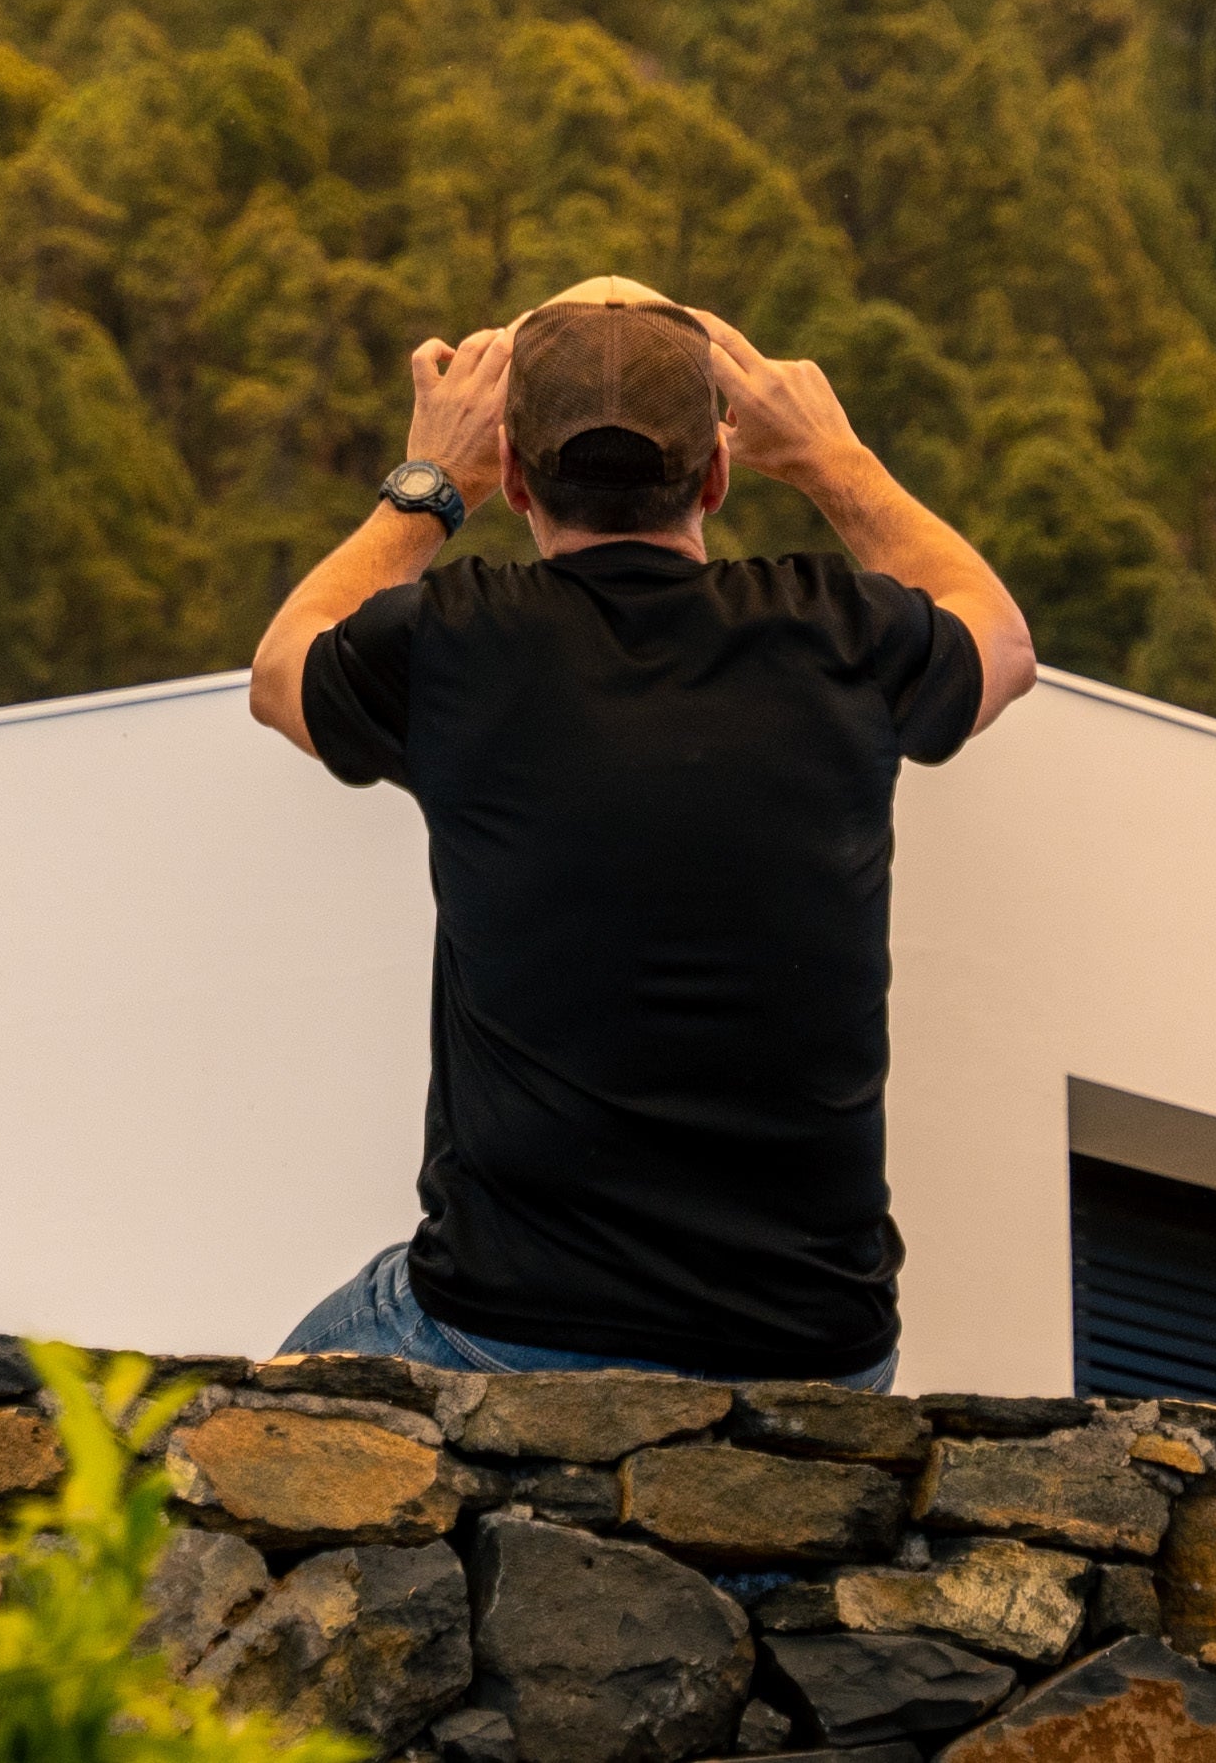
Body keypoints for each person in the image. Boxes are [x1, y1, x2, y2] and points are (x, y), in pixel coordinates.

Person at [248, 276, 1034, 1384]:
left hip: (505, 1322)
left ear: (515, 474)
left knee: (233, 1444)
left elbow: (283, 668)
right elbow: (1000, 641)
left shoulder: (455, 645)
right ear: (715, 472)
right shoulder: (839, 631)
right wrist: (828, 458)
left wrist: (432, 481)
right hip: (815, 1347)